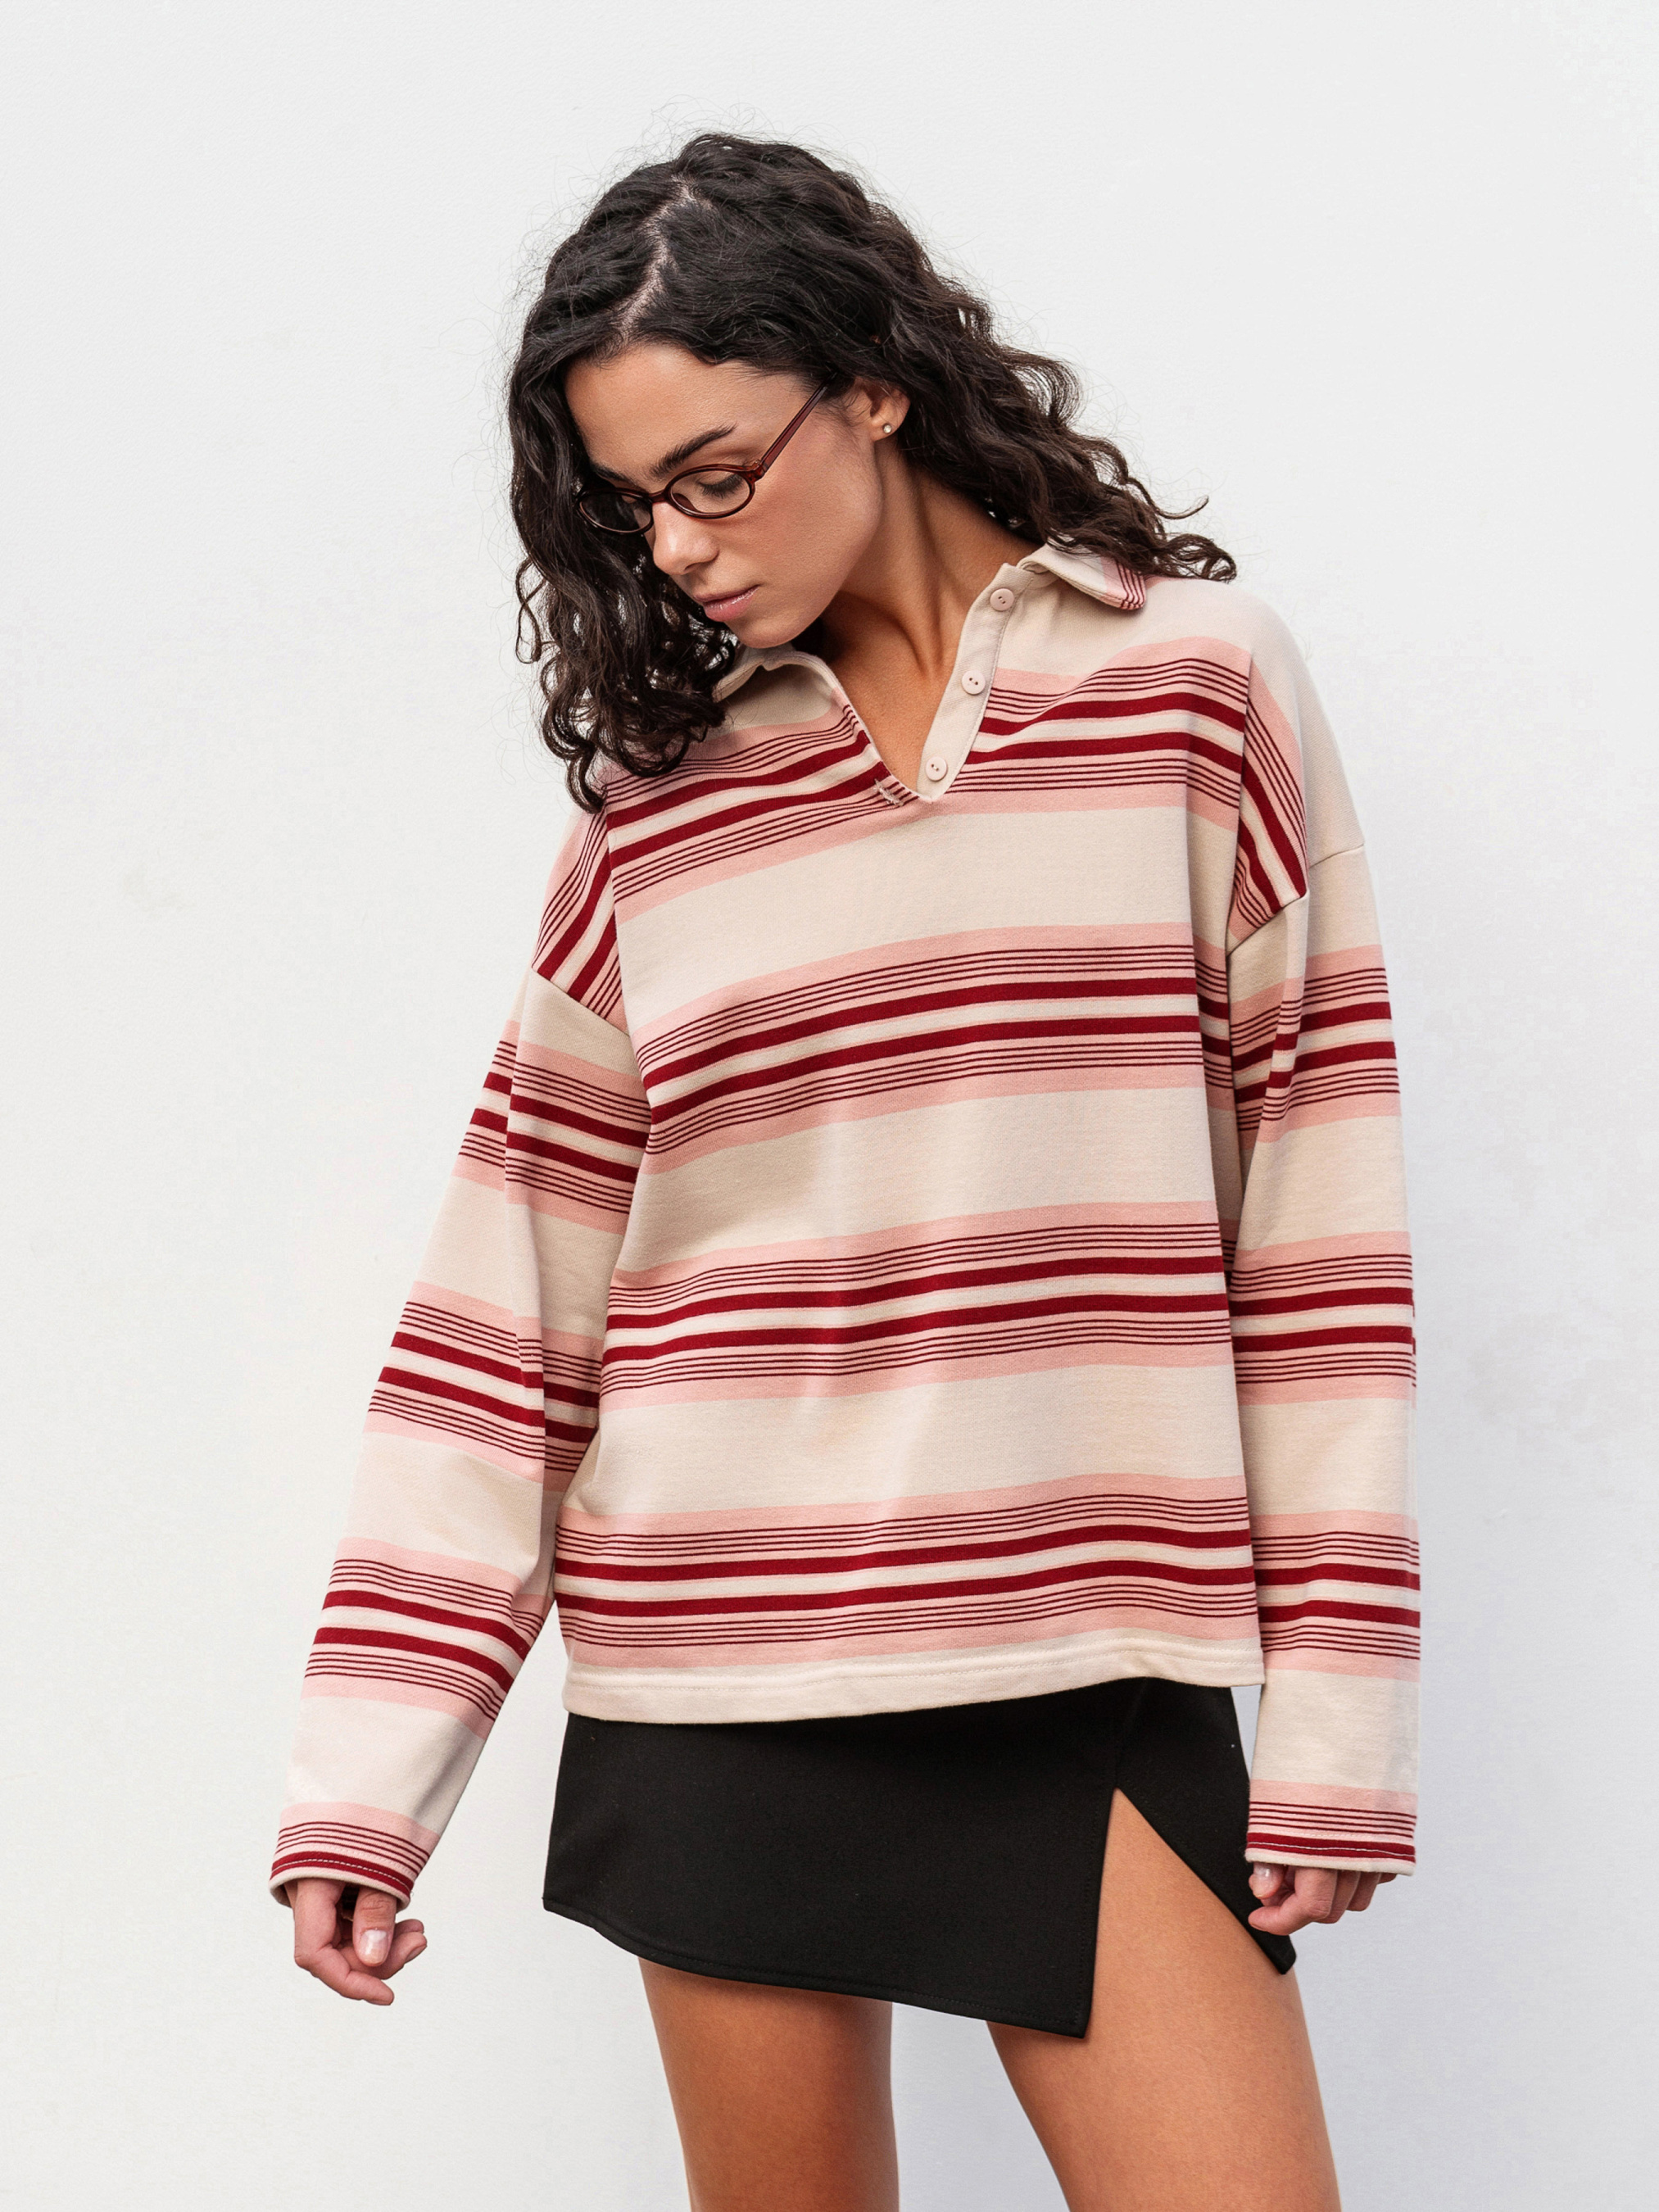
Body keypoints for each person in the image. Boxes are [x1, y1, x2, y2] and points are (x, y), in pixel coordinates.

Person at [271, 133, 1418, 2212]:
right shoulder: (658, 810)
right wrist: (370, 1774)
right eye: (633, 503)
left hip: (1087, 1657)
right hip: (723, 1671)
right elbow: (505, 1308)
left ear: (872, 381)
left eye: (715, 474)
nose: (678, 547)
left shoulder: (1192, 688)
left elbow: (1317, 1231)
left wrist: (1337, 1713)